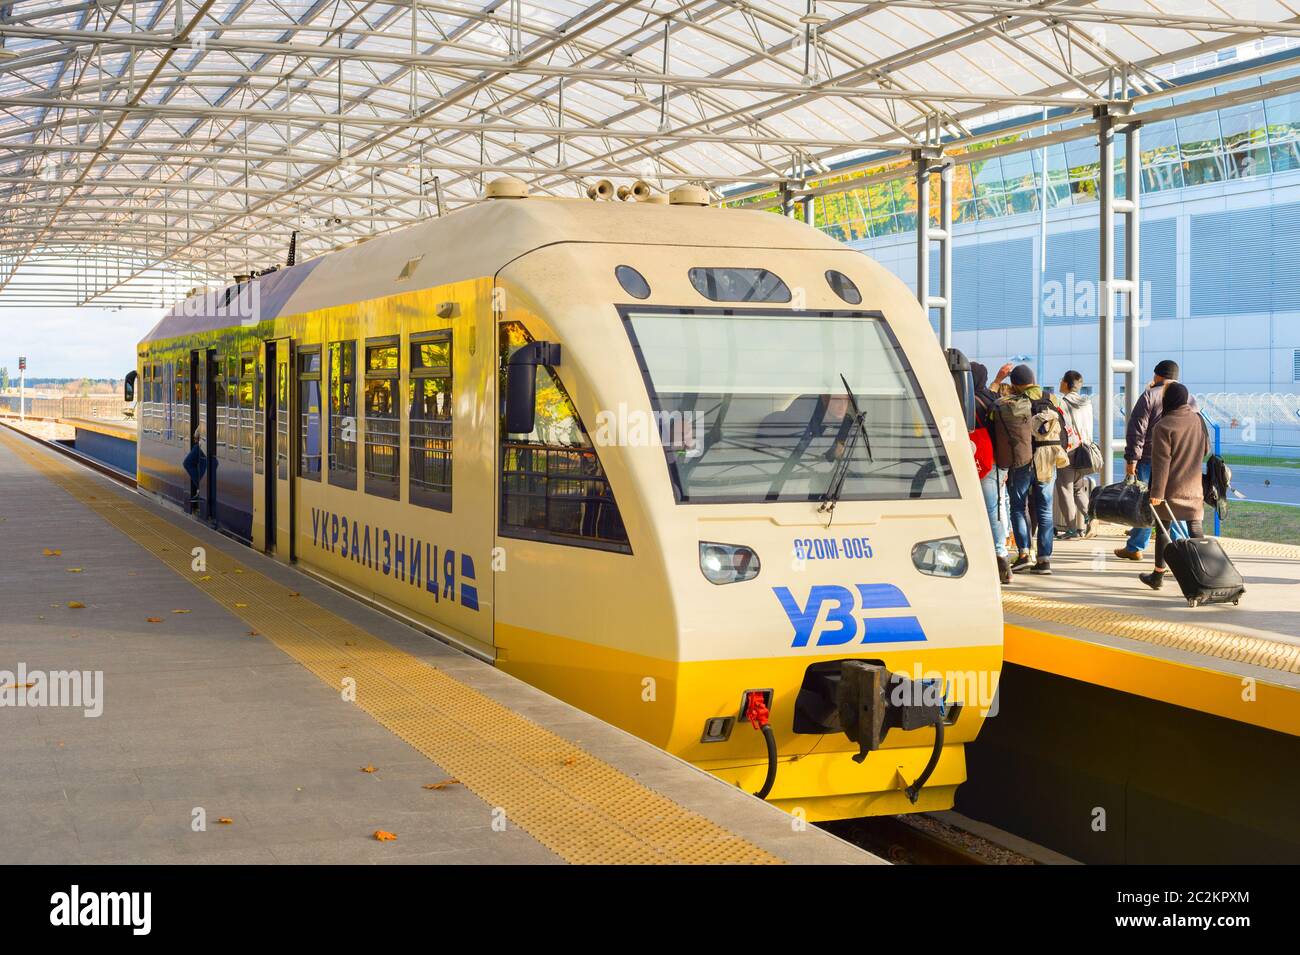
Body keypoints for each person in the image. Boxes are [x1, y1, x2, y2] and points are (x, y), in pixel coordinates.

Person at [1114, 359, 1196, 561]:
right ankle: (1136, 546)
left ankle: (1179, 550)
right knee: (1174, 503)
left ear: (1158, 375)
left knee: (1146, 502)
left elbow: (1137, 429)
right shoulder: (1189, 398)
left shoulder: (1150, 395)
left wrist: (1131, 459)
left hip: (1151, 458)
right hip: (1181, 461)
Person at [990, 363, 1066, 575]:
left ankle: (1024, 554)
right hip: (1048, 460)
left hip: (1022, 462)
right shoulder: (1052, 399)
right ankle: (1044, 560)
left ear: (1014, 384)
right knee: (1045, 508)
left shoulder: (1014, 401)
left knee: (1018, 506)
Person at [1140, 382, 1210, 591]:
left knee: (1163, 529)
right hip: (1194, 486)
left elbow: (1161, 463)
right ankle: (1207, 572)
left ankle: (1158, 576)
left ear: (1167, 400)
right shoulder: (1197, 420)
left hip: (1170, 489)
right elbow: (1205, 448)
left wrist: (1157, 494)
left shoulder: (1164, 425)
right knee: (1195, 529)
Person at [971, 363, 1011, 584]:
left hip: (981, 462)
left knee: (990, 508)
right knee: (996, 508)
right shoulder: (991, 397)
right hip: (998, 461)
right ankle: (1000, 552)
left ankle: (999, 556)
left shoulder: (970, 402)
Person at [1054, 370, 1094, 540]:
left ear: (1066, 384)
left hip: (1069, 450)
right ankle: (1091, 518)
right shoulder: (1087, 403)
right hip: (1085, 451)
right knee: (1078, 488)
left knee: (1065, 488)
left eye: (1062, 380)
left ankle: (1072, 529)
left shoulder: (1062, 403)